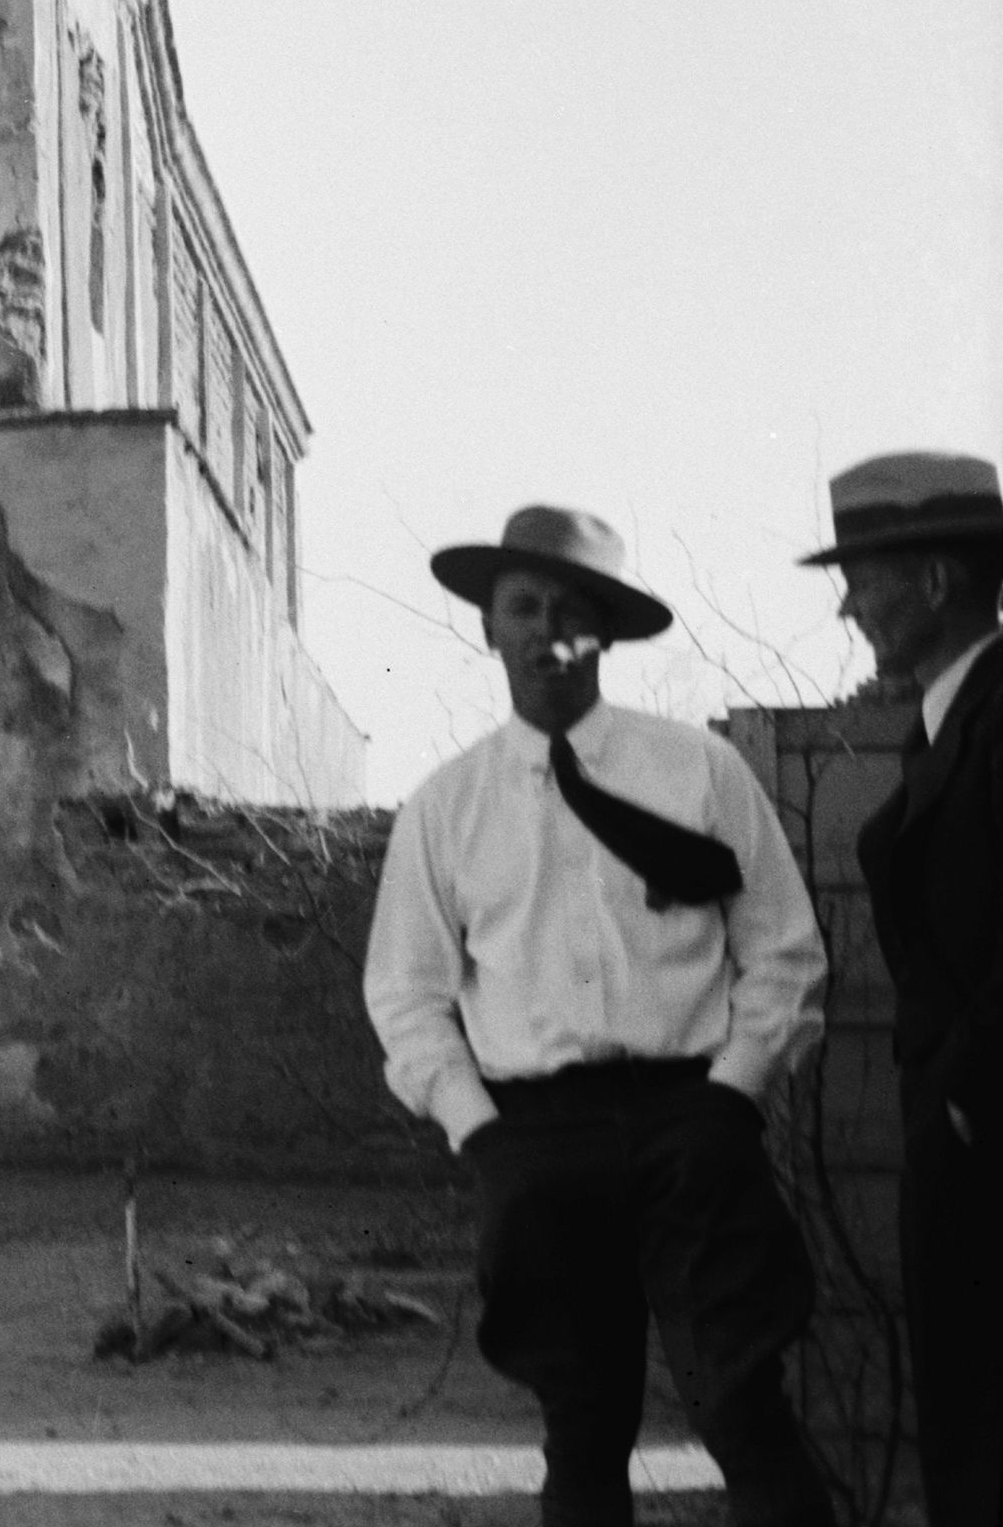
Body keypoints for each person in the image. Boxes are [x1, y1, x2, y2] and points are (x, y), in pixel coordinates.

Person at [367, 503, 834, 1527]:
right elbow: (405, 990)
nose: (546, 630)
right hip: (534, 1138)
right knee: (581, 1425)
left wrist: (731, 1098)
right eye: (522, 606)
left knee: (743, 1406)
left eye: (573, 610)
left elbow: (783, 949)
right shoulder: (447, 805)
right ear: (489, 627)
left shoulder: (698, 770)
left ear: (608, 634)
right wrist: (478, 1130)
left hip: (690, 1121)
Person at [816, 450, 1003, 1527]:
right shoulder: (952, 718)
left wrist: (972, 1091)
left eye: (864, 576)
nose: (848, 605)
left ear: (934, 581)